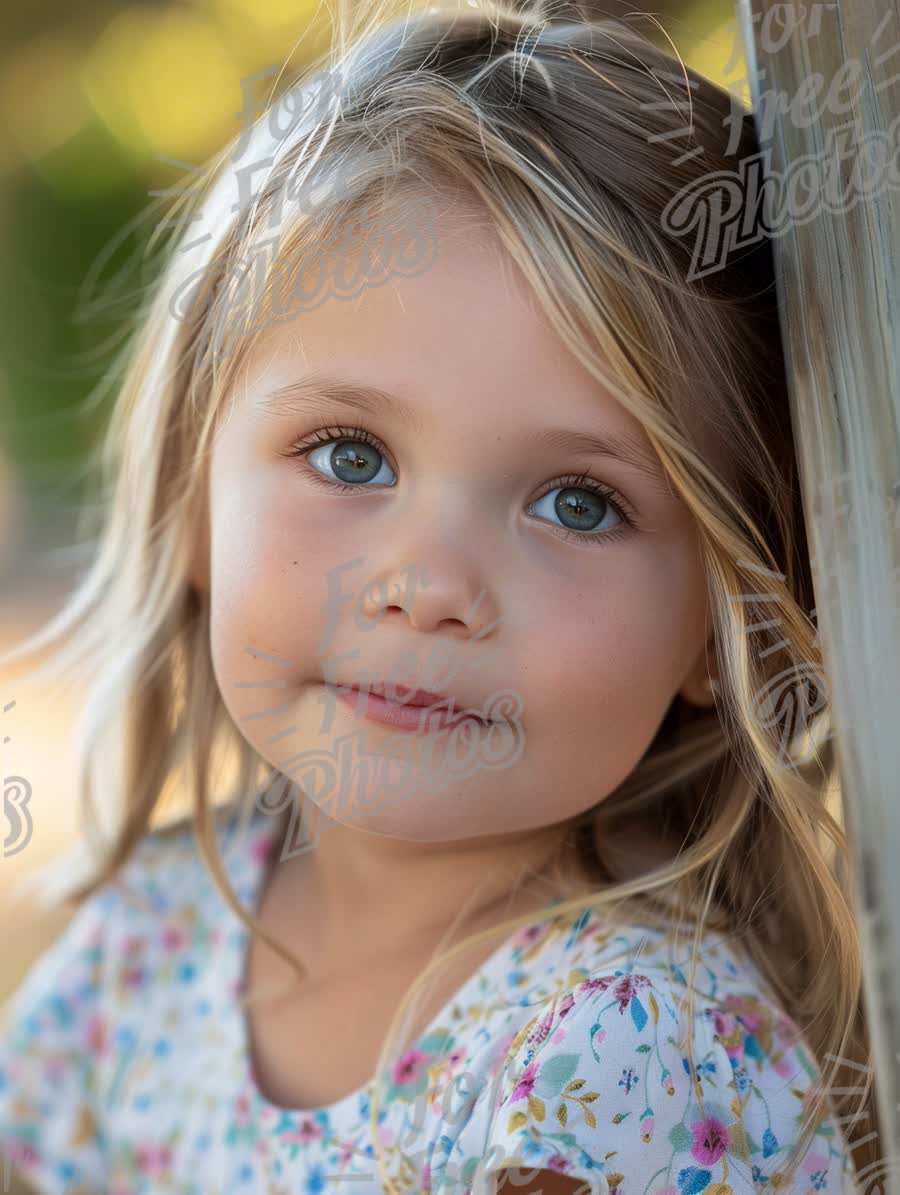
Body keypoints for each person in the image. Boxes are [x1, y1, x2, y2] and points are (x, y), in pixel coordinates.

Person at [0, 0, 876, 1190]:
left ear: (725, 627)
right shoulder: (144, 952)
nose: (429, 587)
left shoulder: (619, 1054)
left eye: (577, 501)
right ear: (191, 500)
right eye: (350, 455)